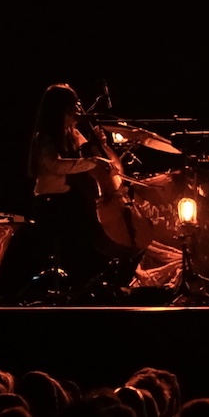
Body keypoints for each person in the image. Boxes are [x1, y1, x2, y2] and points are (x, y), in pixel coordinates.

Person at [26, 83, 123, 290]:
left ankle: (93, 280)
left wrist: (101, 143)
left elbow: (89, 151)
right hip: (51, 203)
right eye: (73, 107)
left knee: (87, 225)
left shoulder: (72, 133)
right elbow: (55, 165)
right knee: (84, 234)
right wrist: (95, 161)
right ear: (60, 110)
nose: (77, 111)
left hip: (68, 201)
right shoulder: (46, 137)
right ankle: (84, 282)